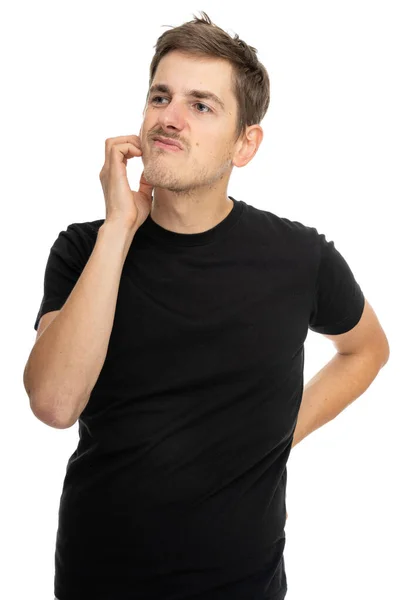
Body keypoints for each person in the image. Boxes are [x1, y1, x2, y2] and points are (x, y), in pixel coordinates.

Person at [24, 11, 389, 600]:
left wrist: (277, 436)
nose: (169, 118)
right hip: (99, 579)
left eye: (201, 105)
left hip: (244, 584)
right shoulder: (83, 249)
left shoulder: (300, 258)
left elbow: (367, 349)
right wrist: (119, 230)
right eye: (159, 97)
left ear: (245, 144)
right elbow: (55, 403)